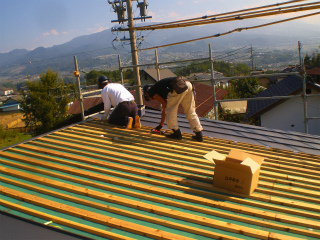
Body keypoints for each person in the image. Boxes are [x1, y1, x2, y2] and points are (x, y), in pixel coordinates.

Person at [143, 77, 203, 142]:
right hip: (187, 83)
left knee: (171, 111)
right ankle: (199, 134)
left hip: (178, 85)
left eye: (150, 99)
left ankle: (176, 133)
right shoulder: (160, 89)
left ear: (146, 94)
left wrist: (160, 126)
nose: (153, 99)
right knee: (190, 111)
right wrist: (161, 125)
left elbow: (166, 108)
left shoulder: (151, 92)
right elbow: (164, 108)